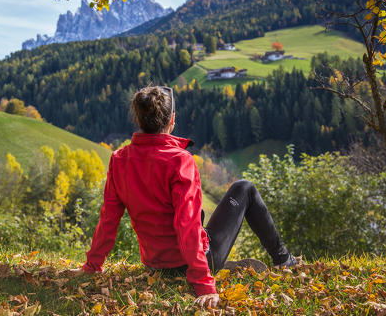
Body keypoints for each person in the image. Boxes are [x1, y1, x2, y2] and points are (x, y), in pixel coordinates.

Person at [72, 86, 296, 308]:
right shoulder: (180, 160)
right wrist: (204, 283)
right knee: (244, 188)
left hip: (154, 264)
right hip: (191, 262)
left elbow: (109, 219)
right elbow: (187, 226)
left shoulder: (119, 159)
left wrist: (92, 266)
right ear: (172, 120)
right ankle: (284, 260)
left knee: (202, 218)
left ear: (139, 120)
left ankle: (232, 264)